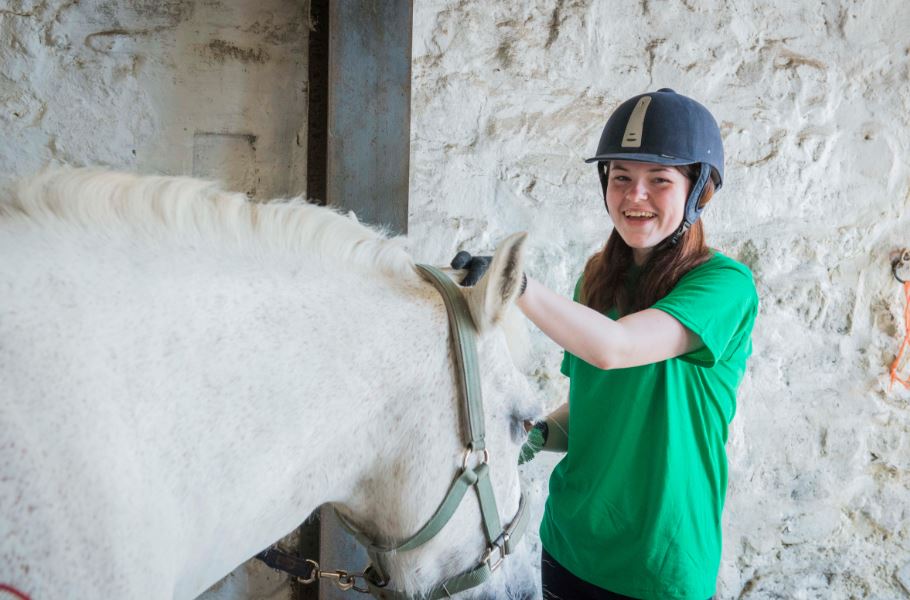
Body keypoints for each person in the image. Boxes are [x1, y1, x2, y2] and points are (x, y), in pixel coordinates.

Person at [452, 88, 758, 599]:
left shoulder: (724, 286)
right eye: (621, 177)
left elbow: (615, 348)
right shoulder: (597, 279)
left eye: (659, 180)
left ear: (699, 190)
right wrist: (516, 439)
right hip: (571, 543)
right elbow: (591, 410)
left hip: (660, 564)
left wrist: (516, 285)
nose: (634, 196)